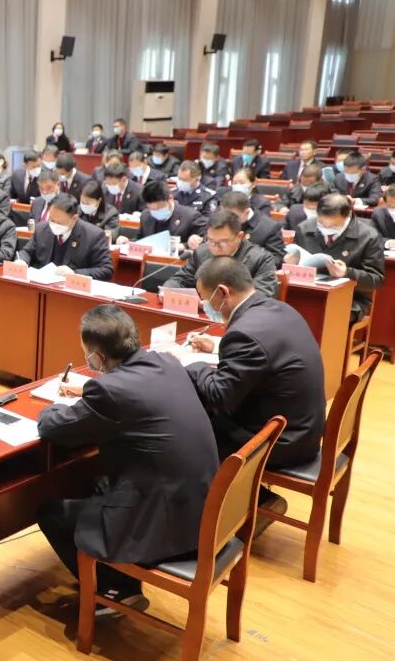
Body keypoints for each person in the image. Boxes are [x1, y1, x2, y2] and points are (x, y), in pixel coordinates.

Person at [37, 305, 218, 612]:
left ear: (98, 356)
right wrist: (90, 392)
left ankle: (114, 590)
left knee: (51, 513)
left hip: (168, 524)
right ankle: (117, 577)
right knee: (95, 483)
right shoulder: (167, 362)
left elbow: (52, 428)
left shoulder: (109, 391)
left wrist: (51, 406)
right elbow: (134, 395)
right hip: (204, 511)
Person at [186, 257, 325, 472]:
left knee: (184, 428)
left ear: (223, 292)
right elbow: (266, 351)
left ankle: (217, 491)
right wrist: (216, 347)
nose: (205, 307)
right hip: (302, 431)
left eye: (205, 299)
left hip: (279, 442)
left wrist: (194, 365)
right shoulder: (279, 308)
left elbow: (219, 396)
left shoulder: (245, 334)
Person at [290, 193, 385, 321]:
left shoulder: (369, 236)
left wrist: (347, 273)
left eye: (334, 226)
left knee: (327, 315)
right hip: (307, 291)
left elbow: (376, 280)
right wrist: (290, 262)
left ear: (348, 215)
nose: (326, 229)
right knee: (286, 309)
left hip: (352, 298)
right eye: (321, 224)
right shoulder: (305, 228)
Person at [162, 211, 278, 298]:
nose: (215, 247)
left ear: (239, 236)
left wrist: (217, 304)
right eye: (211, 240)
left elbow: (260, 296)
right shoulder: (201, 252)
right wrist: (167, 290)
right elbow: (181, 279)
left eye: (222, 242)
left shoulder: (261, 259)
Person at [17, 195, 113, 280]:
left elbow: (106, 270)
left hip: (72, 289)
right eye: (51, 220)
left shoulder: (94, 236)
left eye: (59, 222)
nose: (54, 225)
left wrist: (74, 273)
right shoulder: (41, 229)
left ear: (74, 218)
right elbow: (27, 251)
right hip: (43, 284)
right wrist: (22, 261)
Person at [120, 180, 205, 246]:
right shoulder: (145, 215)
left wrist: (185, 245)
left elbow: (204, 242)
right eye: (151, 208)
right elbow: (141, 240)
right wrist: (128, 242)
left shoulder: (191, 216)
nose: (155, 212)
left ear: (170, 198)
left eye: (158, 208)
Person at [219, 190, 285, 264]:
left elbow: (276, 259)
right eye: (224, 214)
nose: (227, 219)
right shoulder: (220, 220)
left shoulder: (269, 227)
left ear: (246, 213)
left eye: (232, 216)